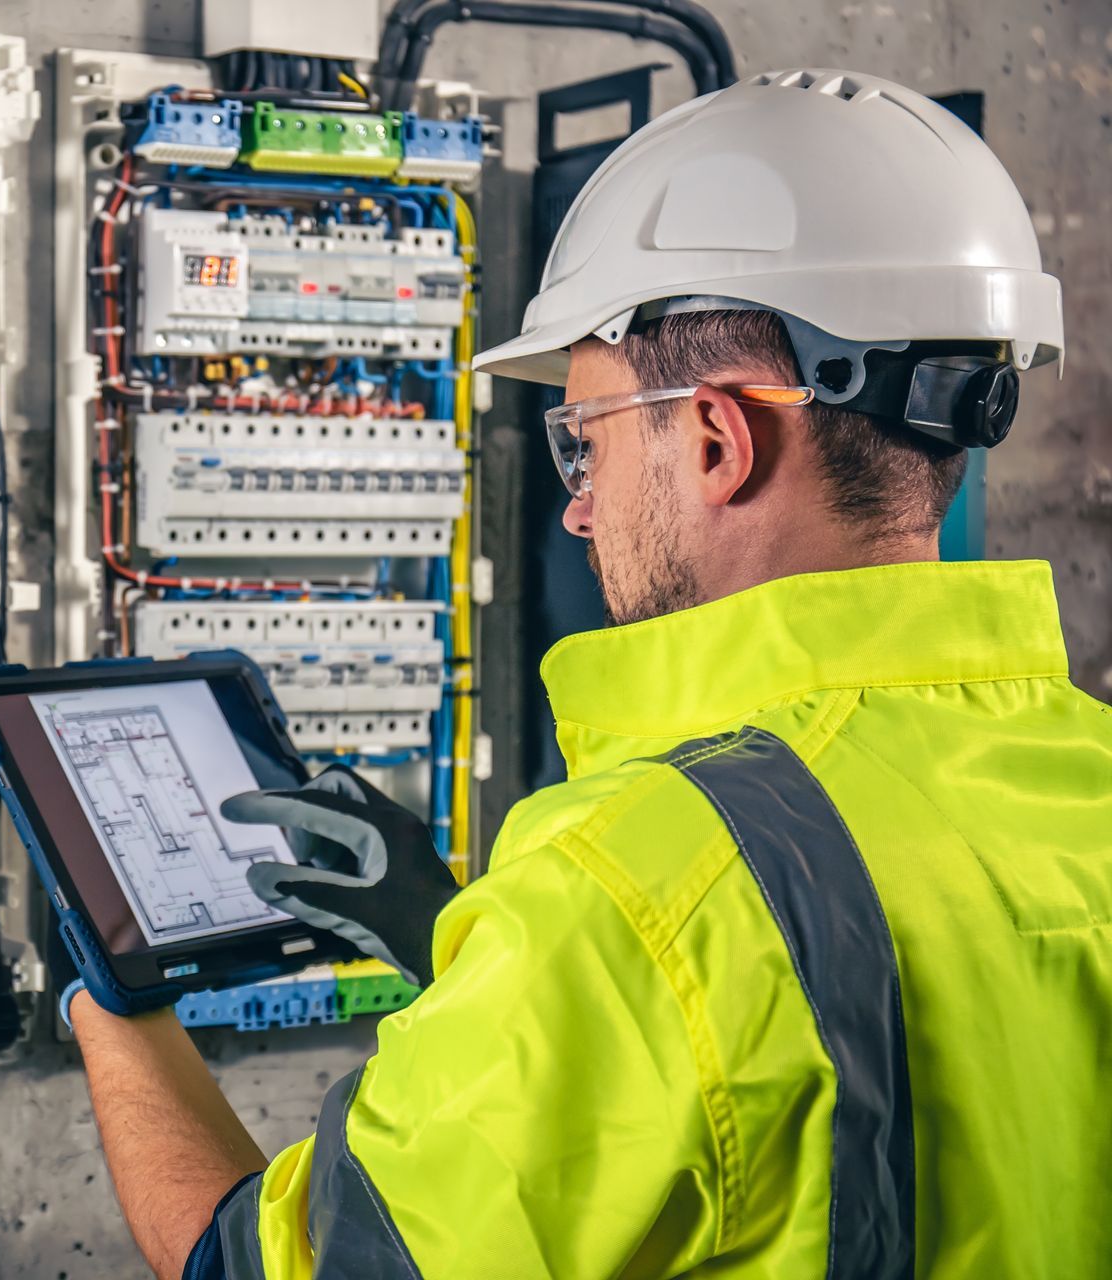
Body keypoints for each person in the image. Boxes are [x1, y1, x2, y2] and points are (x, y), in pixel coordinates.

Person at [62, 68, 1111, 1278]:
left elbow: (253, 1264)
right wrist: (453, 936)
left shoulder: (631, 891)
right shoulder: (1079, 780)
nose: (579, 506)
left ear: (718, 439)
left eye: (588, 436)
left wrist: (113, 1001)